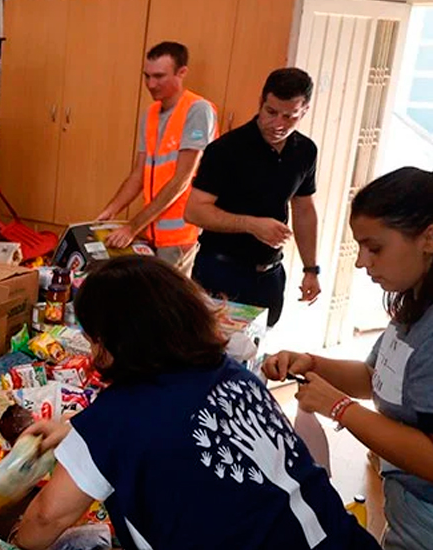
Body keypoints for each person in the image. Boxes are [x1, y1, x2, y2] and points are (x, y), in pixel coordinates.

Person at [11, 256, 378, 550]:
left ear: (113, 343)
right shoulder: (233, 372)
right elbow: (179, 423)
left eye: (93, 340)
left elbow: (48, 518)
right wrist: (76, 432)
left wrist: (11, 541)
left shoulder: (116, 418)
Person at [263, 167, 433, 549]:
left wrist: (339, 408)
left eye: (375, 248)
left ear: (429, 237)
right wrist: (313, 364)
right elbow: (376, 377)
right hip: (406, 513)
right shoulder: (414, 302)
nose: (361, 262)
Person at [186, 68, 321, 327]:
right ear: (261, 102)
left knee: (259, 351)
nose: (278, 124)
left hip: (269, 274)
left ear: (304, 111)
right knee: (210, 349)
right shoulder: (226, 150)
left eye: (289, 116)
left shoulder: (305, 151)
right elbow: (194, 211)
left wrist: (311, 269)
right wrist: (251, 224)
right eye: (271, 112)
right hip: (221, 270)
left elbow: (304, 210)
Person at [96, 42, 217, 275]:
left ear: (182, 73)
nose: (151, 85)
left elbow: (182, 180)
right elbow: (138, 175)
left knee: (167, 305)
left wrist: (132, 227)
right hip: (149, 232)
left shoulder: (197, 110)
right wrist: (111, 211)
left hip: (179, 235)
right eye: (147, 76)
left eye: (159, 76)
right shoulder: (151, 114)